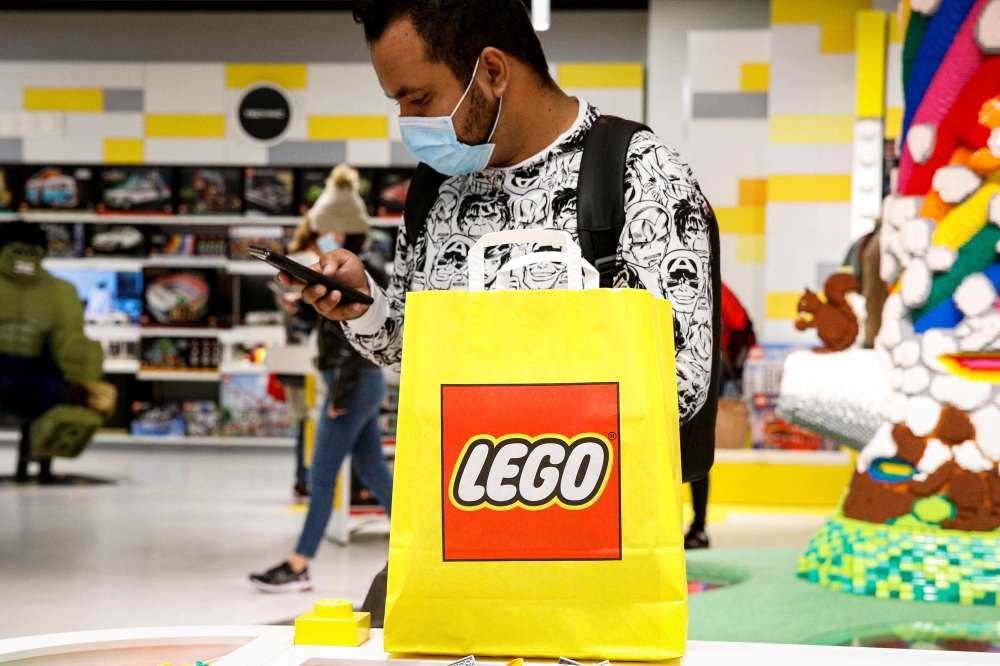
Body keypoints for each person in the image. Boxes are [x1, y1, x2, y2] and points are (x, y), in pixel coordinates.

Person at [281, 0, 717, 618]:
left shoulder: (638, 176)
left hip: (589, 554)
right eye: (398, 104)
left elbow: (682, 382)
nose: (408, 122)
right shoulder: (435, 188)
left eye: (419, 98)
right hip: (448, 539)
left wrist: (512, 387)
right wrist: (365, 306)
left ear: (492, 72)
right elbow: (415, 349)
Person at [250, 165, 394, 593]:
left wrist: (341, 393)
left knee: (322, 474)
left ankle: (299, 566)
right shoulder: (340, 269)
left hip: (353, 382)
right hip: (356, 382)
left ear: (342, 232)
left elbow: (360, 342)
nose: (321, 237)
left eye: (327, 230)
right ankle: (421, 544)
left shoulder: (363, 273)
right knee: (373, 473)